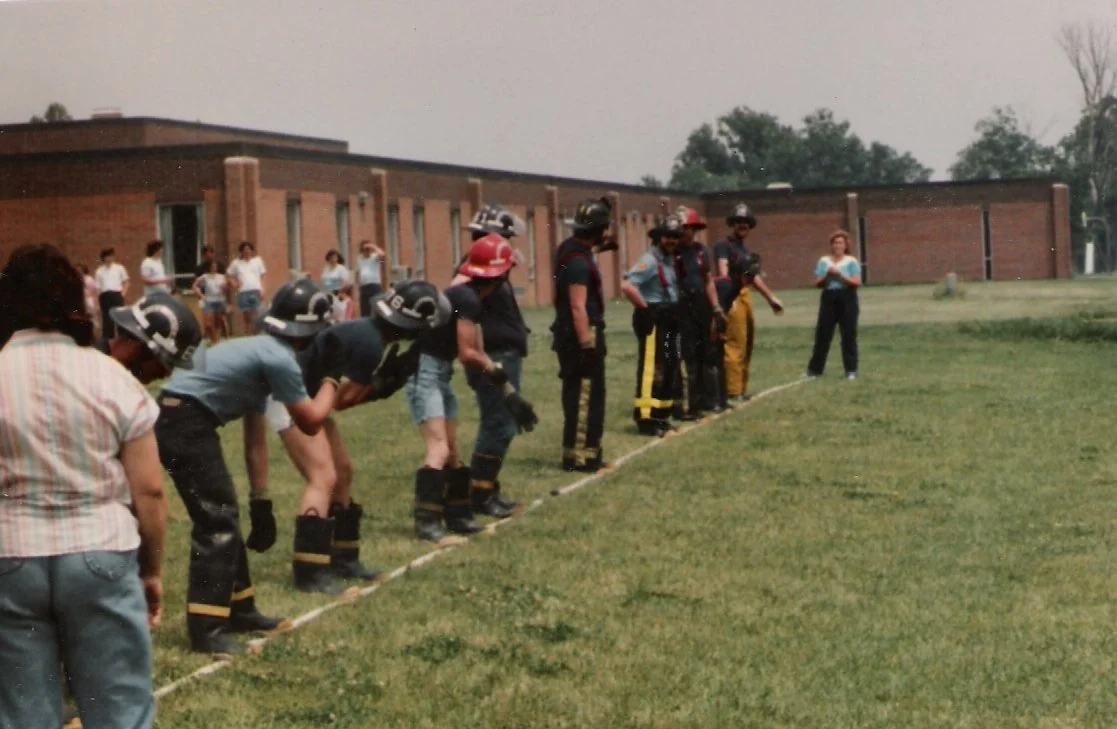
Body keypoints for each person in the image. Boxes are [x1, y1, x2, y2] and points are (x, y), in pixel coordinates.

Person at [0, 243, 166, 729]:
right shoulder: (111, 377)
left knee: (21, 714)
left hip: (10, 555)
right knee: (120, 711)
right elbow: (150, 490)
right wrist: (151, 570)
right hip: (101, 551)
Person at [154, 279, 338, 655]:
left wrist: (261, 500)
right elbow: (312, 421)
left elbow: (254, 440)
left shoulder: (253, 349)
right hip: (184, 420)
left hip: (176, 416)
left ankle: (241, 609)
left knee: (222, 512)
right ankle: (207, 628)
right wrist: (334, 379)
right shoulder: (279, 359)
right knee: (216, 518)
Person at [260, 280, 450, 593]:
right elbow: (343, 401)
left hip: (300, 395)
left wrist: (378, 383)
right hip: (288, 398)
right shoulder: (371, 344)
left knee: (343, 472)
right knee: (322, 478)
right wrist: (384, 385)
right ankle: (310, 571)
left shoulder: (371, 333)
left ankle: (344, 558)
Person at [407, 234, 535, 543]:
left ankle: (458, 515)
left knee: (453, 452)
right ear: (500, 274)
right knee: (438, 450)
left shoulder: (468, 297)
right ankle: (427, 522)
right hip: (424, 374)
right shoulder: (467, 299)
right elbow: (468, 353)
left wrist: (510, 396)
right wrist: (496, 372)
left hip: (438, 373)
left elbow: (478, 352)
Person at [456, 204, 533, 518]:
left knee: (504, 423)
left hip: (505, 353)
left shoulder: (493, 268)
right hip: (493, 357)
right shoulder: (471, 271)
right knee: (498, 424)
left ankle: (488, 489)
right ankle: (481, 494)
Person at [552, 197, 612, 472]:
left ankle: (584, 452)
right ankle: (581, 456)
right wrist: (587, 345)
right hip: (581, 334)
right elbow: (578, 305)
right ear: (598, 231)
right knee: (587, 397)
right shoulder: (578, 263)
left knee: (578, 395)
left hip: (567, 332)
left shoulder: (568, 250)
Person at [713, 203, 784, 402]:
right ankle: (733, 391)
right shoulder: (723, 246)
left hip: (745, 294)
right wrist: (727, 298)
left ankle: (741, 388)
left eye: (745, 222)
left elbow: (753, 278)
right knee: (734, 342)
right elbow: (723, 270)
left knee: (746, 342)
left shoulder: (745, 249)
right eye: (738, 222)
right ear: (732, 224)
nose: (742, 225)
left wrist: (771, 298)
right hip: (732, 294)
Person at [620, 214, 683, 437]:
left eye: (675, 237)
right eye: (667, 236)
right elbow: (627, 286)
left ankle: (661, 416)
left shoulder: (670, 261)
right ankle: (646, 419)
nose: (671, 241)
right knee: (651, 370)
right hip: (654, 319)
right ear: (658, 237)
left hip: (669, 319)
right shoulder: (649, 261)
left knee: (668, 366)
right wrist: (644, 308)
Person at [673, 206, 726, 417]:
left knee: (707, 354)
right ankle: (689, 404)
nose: (686, 232)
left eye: (690, 228)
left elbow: (708, 281)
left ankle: (707, 400)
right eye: (683, 227)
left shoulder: (701, 251)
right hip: (681, 306)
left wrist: (716, 307)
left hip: (701, 306)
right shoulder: (671, 251)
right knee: (688, 357)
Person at [805, 229, 862, 380]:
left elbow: (856, 282)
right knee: (823, 334)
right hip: (829, 298)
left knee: (848, 334)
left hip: (847, 298)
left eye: (841, 242)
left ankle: (851, 370)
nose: (838, 245)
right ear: (831, 245)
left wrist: (841, 276)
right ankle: (814, 370)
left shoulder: (851, 261)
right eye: (835, 242)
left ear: (846, 245)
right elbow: (818, 282)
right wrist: (827, 276)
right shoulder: (824, 261)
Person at [227, 241, 267, 334]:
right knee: (247, 318)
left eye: (249, 249)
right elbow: (228, 275)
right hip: (244, 292)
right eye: (244, 250)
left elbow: (263, 276)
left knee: (257, 316)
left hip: (256, 291)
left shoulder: (257, 261)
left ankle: (256, 336)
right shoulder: (236, 263)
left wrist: (263, 289)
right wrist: (234, 284)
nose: (247, 252)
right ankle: (248, 336)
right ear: (241, 251)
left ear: (252, 251)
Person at [192, 259, 230, 343]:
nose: (214, 268)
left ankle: (224, 339)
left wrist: (225, 287)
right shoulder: (205, 276)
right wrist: (201, 295)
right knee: (208, 323)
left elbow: (226, 288)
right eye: (212, 266)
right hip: (209, 301)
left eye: (215, 266)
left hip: (219, 300)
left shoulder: (221, 277)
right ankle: (214, 340)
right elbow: (194, 286)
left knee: (219, 322)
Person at [94, 247, 129, 339]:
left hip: (116, 294)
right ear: (103, 258)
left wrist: (123, 293)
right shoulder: (99, 271)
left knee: (120, 317)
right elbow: (98, 288)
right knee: (107, 319)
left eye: (110, 256)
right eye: (107, 256)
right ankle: (108, 340)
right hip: (105, 296)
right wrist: (97, 303)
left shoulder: (119, 268)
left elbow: (126, 281)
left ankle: (122, 339)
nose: (109, 258)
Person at [355, 240, 386, 317]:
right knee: (365, 310)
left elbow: (382, 254)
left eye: (368, 249)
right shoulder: (359, 259)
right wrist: (357, 286)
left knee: (377, 307)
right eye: (365, 249)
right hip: (364, 286)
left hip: (374, 286)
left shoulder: (375, 257)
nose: (367, 251)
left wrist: (372, 246)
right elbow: (358, 273)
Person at [77, 263, 100, 338]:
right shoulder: (76, 279)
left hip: (89, 301)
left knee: (91, 319)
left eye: (80, 270)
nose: (78, 271)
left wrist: (96, 305)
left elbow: (95, 292)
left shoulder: (89, 279)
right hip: (80, 301)